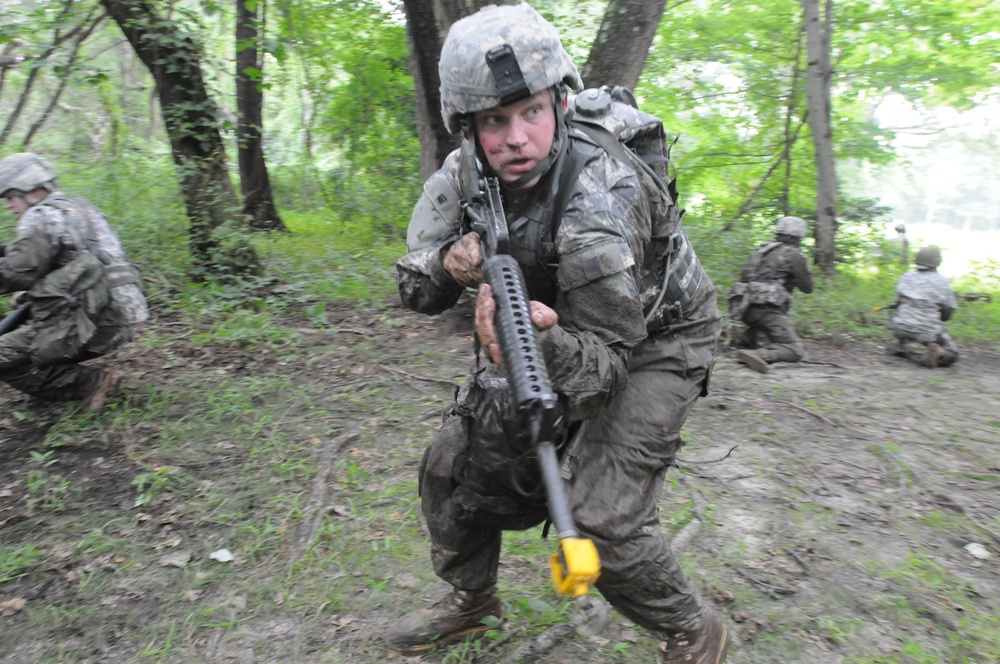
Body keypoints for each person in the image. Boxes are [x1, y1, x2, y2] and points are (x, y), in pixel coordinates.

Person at [391, 4, 728, 662]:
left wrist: (542, 345)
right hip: (542, 324)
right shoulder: (464, 175)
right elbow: (412, 287)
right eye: (494, 121)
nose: (516, 137)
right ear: (468, 128)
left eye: (532, 112)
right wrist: (446, 263)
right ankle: (472, 601)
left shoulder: (603, 198)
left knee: (599, 516)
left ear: (562, 107)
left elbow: (603, 370)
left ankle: (693, 631)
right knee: (451, 467)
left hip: (657, 338)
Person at [0, 152, 148, 412]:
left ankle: (87, 383)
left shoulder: (40, 217)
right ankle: (54, 380)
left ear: (30, 190)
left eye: (10, 196)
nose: (8, 205)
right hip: (122, 316)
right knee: (24, 313)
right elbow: (68, 264)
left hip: (93, 324)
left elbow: (15, 273)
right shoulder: (78, 208)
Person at [726, 216, 814, 373]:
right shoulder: (793, 254)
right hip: (767, 311)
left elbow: (745, 279)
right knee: (795, 350)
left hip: (744, 310)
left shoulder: (760, 252)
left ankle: (748, 337)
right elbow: (807, 287)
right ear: (796, 237)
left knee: (762, 319)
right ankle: (759, 354)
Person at [889, 245, 958, 368]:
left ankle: (902, 346)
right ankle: (938, 352)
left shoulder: (905, 277)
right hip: (927, 330)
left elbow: (898, 302)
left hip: (900, 326)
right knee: (952, 355)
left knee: (903, 314)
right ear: (937, 261)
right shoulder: (942, 282)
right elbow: (948, 311)